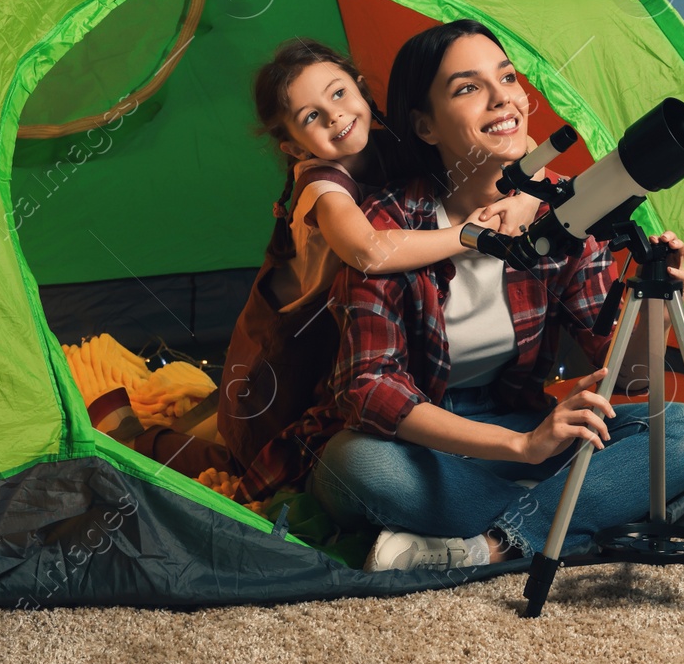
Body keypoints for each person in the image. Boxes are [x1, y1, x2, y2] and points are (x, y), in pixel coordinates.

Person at [301, 19, 684, 572]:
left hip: (517, 421)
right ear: (425, 126)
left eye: (507, 77)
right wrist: (523, 452)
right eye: (468, 87)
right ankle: (560, 512)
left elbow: (630, 379)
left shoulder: (566, 218)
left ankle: (489, 545)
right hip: (423, 440)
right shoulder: (389, 224)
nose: (503, 98)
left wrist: (656, 307)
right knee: (352, 466)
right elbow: (368, 390)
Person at [221, 38, 541, 500]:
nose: (335, 116)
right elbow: (369, 250)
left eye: (338, 94)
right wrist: (471, 235)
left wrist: (527, 200)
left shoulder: (389, 139)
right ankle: (142, 437)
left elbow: (517, 139)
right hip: (289, 345)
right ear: (292, 146)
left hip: (355, 324)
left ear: (362, 89)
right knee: (262, 455)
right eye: (311, 116)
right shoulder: (320, 184)